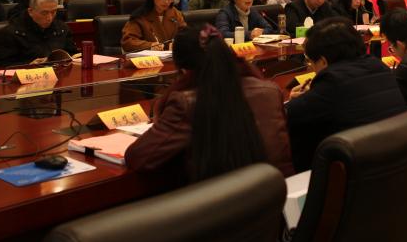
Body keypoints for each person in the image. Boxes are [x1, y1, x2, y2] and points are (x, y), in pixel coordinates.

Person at [125, 26, 293, 180]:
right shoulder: (270, 90)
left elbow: (139, 157)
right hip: (277, 193)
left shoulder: (186, 103)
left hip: (224, 199)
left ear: (183, 70)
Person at [286, 17, 407, 171]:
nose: (311, 67)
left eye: (310, 61)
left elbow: (290, 116)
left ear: (323, 61)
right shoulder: (379, 66)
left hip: (360, 172)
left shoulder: (331, 81)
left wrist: (294, 101)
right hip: (400, 163)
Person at [0, 0, 77, 67]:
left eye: (53, 12)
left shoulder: (62, 28)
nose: (50, 18)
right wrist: (28, 65)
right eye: (44, 13)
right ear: (30, 11)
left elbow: (73, 54)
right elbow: (1, 66)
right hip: (27, 76)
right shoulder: (10, 33)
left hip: (60, 74)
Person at [121, 0, 187, 53]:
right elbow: (128, 42)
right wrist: (150, 46)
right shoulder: (140, 16)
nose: (166, 1)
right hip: (148, 58)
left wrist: (177, 43)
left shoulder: (175, 13)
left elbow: (185, 34)